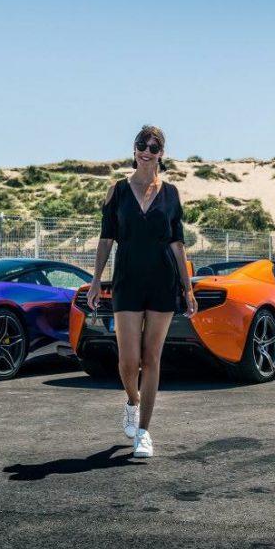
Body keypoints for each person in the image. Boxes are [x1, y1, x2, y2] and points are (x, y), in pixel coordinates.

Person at [86, 125, 197, 458]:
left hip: (163, 281)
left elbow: (177, 244)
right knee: (128, 361)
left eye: (153, 146)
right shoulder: (117, 191)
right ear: (134, 149)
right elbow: (106, 239)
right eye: (141, 145)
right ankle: (132, 402)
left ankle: (144, 433)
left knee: (151, 358)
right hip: (127, 281)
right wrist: (96, 280)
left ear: (162, 153)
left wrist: (187, 288)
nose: (146, 151)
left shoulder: (171, 194)